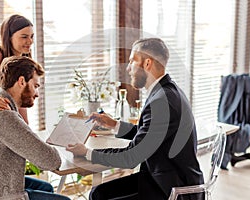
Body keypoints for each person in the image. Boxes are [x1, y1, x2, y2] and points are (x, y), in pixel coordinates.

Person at [67, 38, 204, 200]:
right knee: (99, 193)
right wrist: (114, 125)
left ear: (147, 63)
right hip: (164, 178)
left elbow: (132, 157)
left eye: (132, 61)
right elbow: (147, 137)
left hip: (172, 189)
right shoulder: (166, 91)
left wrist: (87, 152)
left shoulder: (161, 101)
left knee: (100, 196)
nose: (128, 68)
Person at [0, 14, 55, 195]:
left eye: (32, 36)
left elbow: (21, 109)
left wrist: (29, 139)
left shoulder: (25, 63)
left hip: (10, 133)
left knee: (46, 188)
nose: (29, 42)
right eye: (24, 36)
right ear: (9, 36)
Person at [0, 56, 70, 200]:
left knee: (46, 188)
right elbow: (51, 161)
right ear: (22, 81)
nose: (37, 94)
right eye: (35, 86)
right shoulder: (4, 116)